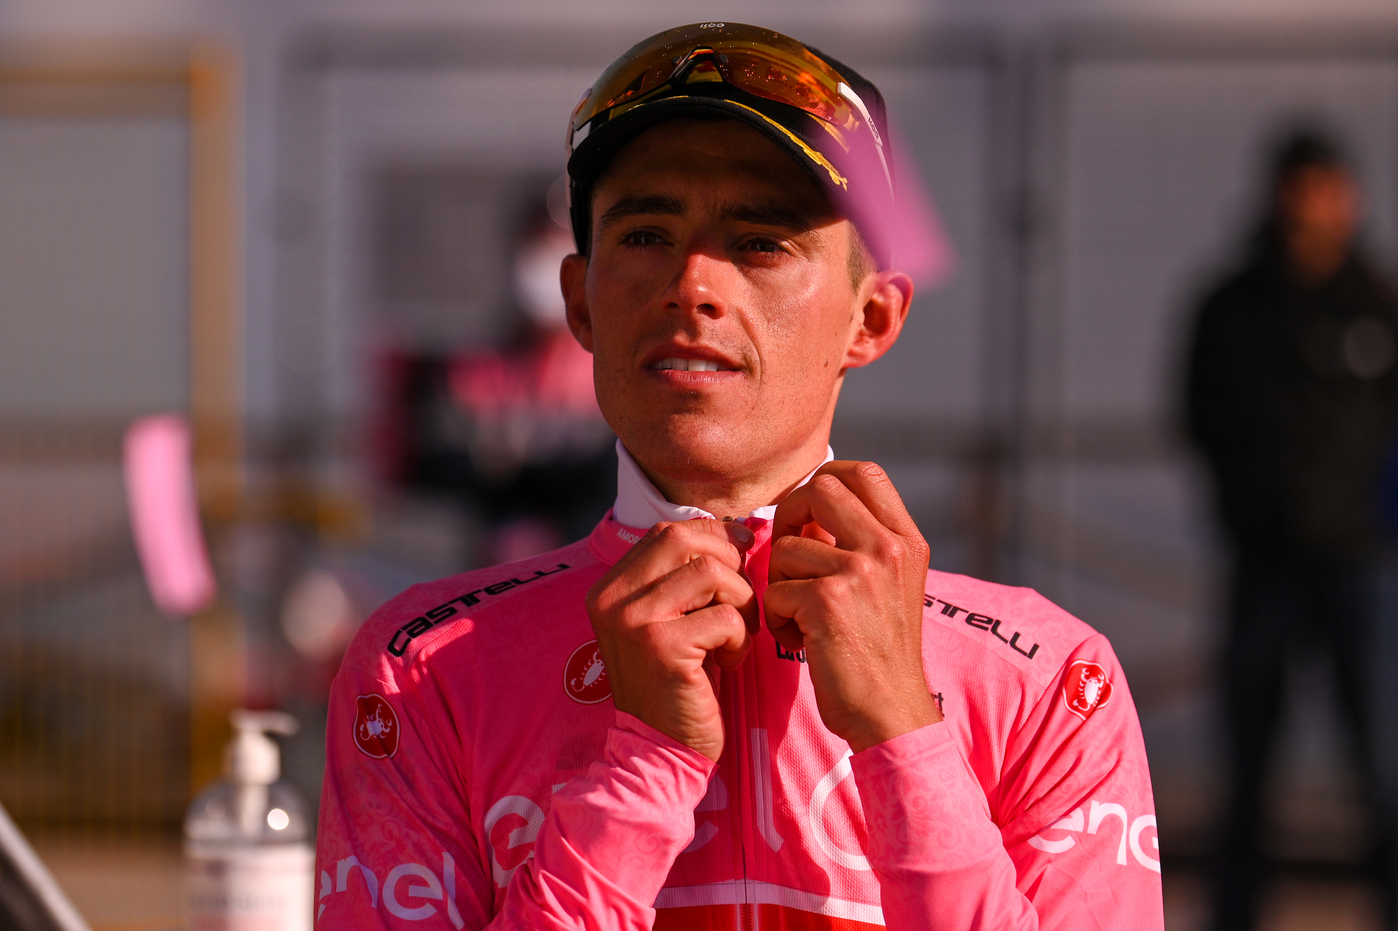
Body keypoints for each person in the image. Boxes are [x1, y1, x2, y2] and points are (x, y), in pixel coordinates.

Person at [316, 22, 1163, 930]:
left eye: (761, 242)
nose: (692, 285)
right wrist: (643, 770)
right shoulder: (421, 672)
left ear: (871, 319)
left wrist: (903, 732)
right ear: (580, 302)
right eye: (646, 233)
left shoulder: (1050, 678)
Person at [1185, 130, 1398, 931]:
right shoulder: (1232, 307)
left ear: (1350, 199)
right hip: (1264, 563)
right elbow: (1199, 414)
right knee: (1247, 764)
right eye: (1298, 189)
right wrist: (1248, 502)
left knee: (1382, 760)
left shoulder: (1379, 304)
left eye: (1325, 189)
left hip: (1362, 568)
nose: (1311, 207)